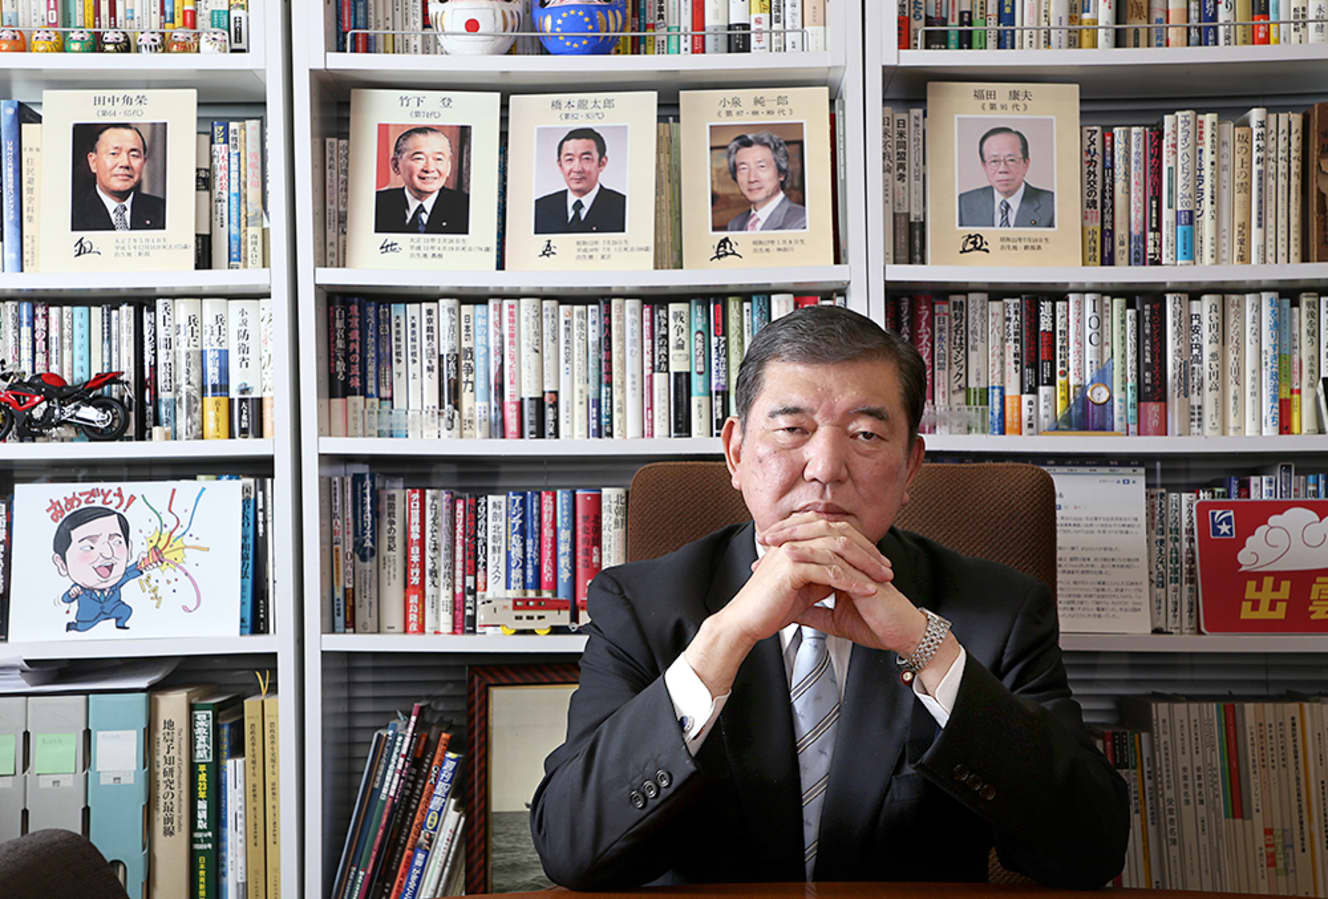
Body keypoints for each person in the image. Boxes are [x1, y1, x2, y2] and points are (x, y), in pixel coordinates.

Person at [530, 306, 1128, 890]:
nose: (826, 468)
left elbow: (1090, 850)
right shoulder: (639, 605)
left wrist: (927, 648)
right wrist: (723, 640)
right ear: (736, 453)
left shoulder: (1000, 610)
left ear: (911, 466)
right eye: (793, 430)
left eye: (866, 434)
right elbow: (571, 848)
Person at [52, 506, 162, 632]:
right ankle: (73, 626)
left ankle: (120, 624)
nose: (108, 553)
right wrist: (72, 594)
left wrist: (142, 564)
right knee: (83, 627)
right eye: (88, 547)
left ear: (129, 549)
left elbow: (130, 573)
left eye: (117, 542)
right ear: (62, 564)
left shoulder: (116, 581)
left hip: (113, 609)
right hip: (90, 615)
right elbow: (66, 599)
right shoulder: (80, 589)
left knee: (126, 611)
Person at [374, 126, 469, 234]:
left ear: (448, 167)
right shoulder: (376, 204)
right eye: (419, 158)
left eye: (438, 159)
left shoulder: (467, 208)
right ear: (396, 165)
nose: (429, 168)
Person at [71, 124, 166, 231]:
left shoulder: (164, 211)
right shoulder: (71, 215)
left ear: (144, 162)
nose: (125, 163)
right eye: (114, 153)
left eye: (134, 155)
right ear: (93, 162)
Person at [957, 126, 1055, 228]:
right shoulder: (964, 204)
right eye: (994, 161)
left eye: (1011, 160)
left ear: (1026, 164)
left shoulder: (1052, 206)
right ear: (984, 166)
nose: (1003, 169)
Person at [533, 127, 627, 234]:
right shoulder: (540, 208)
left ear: (602, 163)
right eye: (569, 159)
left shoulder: (623, 208)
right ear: (560, 165)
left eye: (586, 158)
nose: (577, 169)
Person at [723, 131, 807, 232]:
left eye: (761, 166)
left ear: (781, 173)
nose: (752, 178)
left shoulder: (803, 222)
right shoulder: (735, 224)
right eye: (743, 168)